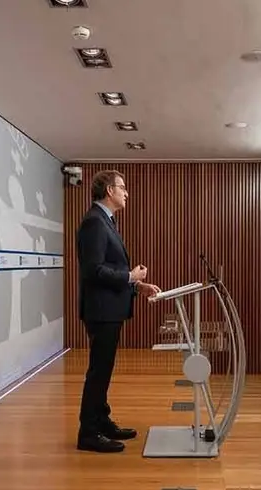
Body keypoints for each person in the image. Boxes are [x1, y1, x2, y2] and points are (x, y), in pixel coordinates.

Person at [75, 169, 161, 453]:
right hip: (102, 312)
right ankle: (88, 433)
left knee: (104, 370)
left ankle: (101, 421)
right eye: (122, 188)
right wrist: (130, 277)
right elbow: (93, 270)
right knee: (98, 372)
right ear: (109, 190)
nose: (126, 193)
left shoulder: (105, 221)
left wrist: (139, 286)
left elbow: (110, 270)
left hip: (110, 308)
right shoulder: (94, 223)